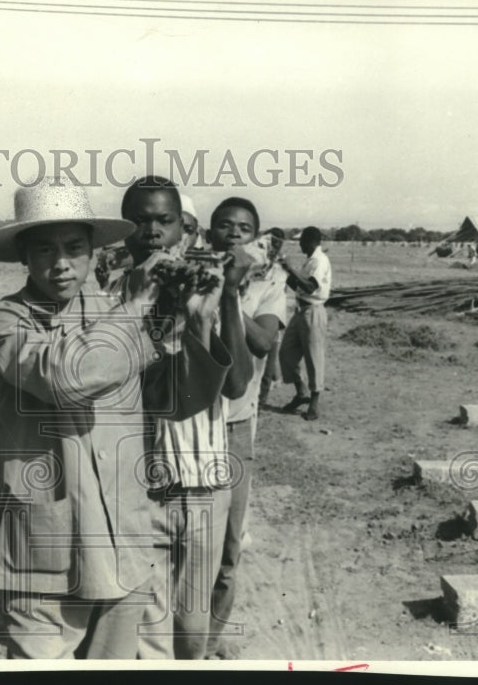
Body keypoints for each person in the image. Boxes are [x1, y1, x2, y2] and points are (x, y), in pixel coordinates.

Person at [0, 179, 230, 659]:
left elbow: (175, 401)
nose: (61, 263)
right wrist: (136, 307)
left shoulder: (112, 312)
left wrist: (198, 322)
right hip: (45, 551)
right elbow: (66, 376)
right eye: (45, 250)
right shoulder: (3, 323)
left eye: (74, 247)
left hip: (124, 540)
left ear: (93, 253)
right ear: (23, 257)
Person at [115, 176, 253, 660]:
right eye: (140, 221)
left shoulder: (204, 283)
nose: (152, 231)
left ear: (183, 229)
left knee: (192, 633)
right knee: (147, 636)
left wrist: (225, 300)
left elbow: (236, 386)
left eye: (164, 221)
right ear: (125, 230)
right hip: (141, 491)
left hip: (204, 484)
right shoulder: (114, 291)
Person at [202, 201, 287, 659]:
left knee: (229, 547)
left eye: (245, 228)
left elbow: (263, 341)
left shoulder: (270, 280)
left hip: (234, 425)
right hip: (188, 425)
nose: (234, 234)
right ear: (209, 231)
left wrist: (231, 292)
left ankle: (209, 640)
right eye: (225, 226)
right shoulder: (187, 271)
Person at [278, 225, 332, 421]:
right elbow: (298, 286)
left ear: (310, 241)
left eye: (301, 241)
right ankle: (301, 392)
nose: (299, 244)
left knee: (313, 358)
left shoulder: (319, 260)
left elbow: (310, 287)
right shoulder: (310, 260)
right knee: (286, 353)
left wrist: (291, 268)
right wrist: (285, 271)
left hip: (313, 311)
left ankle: (314, 404)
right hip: (301, 311)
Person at [255, 228, 290, 408]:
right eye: (273, 242)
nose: (274, 246)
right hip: (258, 323)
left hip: (274, 323)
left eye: (278, 243)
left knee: (268, 370)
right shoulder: (257, 262)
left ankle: (261, 403)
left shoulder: (281, 266)